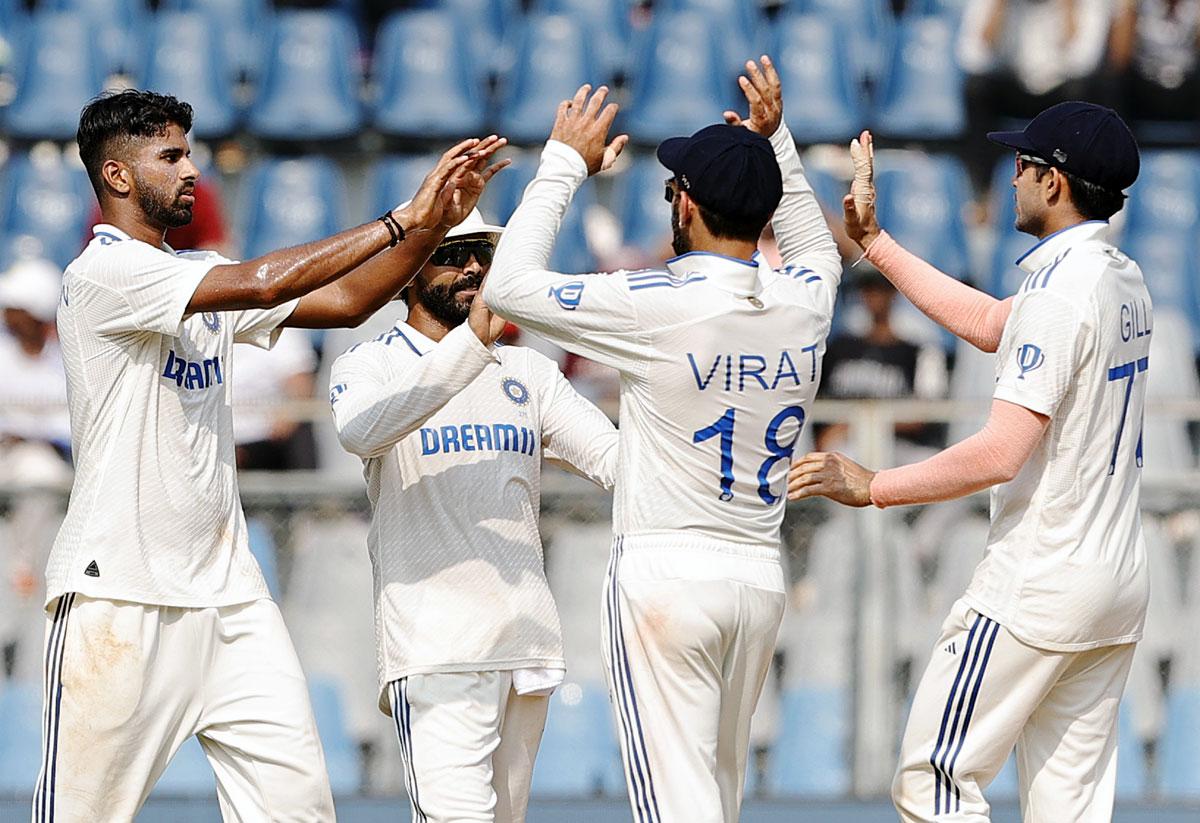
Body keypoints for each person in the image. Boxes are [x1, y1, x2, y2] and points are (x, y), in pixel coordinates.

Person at [34, 88, 506, 822]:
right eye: (171, 156)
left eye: (189, 152)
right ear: (119, 177)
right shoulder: (103, 274)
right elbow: (267, 279)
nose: (192, 170)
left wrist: (432, 228)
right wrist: (400, 219)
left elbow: (347, 299)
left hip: (231, 596)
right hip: (120, 596)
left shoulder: (197, 274)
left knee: (298, 810)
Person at [482, 57, 844, 822]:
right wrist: (777, 144)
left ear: (690, 206)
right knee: (715, 798)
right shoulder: (806, 298)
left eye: (675, 188)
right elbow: (815, 245)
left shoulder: (658, 302)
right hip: (757, 575)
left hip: (667, 574)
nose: (670, 198)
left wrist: (562, 165)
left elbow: (507, 286)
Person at [789, 102, 1147, 822]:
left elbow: (1000, 451)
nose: (1010, 176)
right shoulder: (1119, 275)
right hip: (1112, 584)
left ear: (1056, 183)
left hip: (1039, 582)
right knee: (1069, 807)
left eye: (1024, 164)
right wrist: (876, 244)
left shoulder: (1059, 293)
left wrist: (876, 485)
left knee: (934, 778)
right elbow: (991, 323)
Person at [331, 208, 618, 823]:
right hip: (435, 646)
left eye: (481, 255)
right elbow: (361, 432)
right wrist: (469, 346)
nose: (472, 268)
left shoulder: (527, 372)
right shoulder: (369, 364)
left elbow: (616, 461)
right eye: (451, 255)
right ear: (407, 270)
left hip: (526, 641)